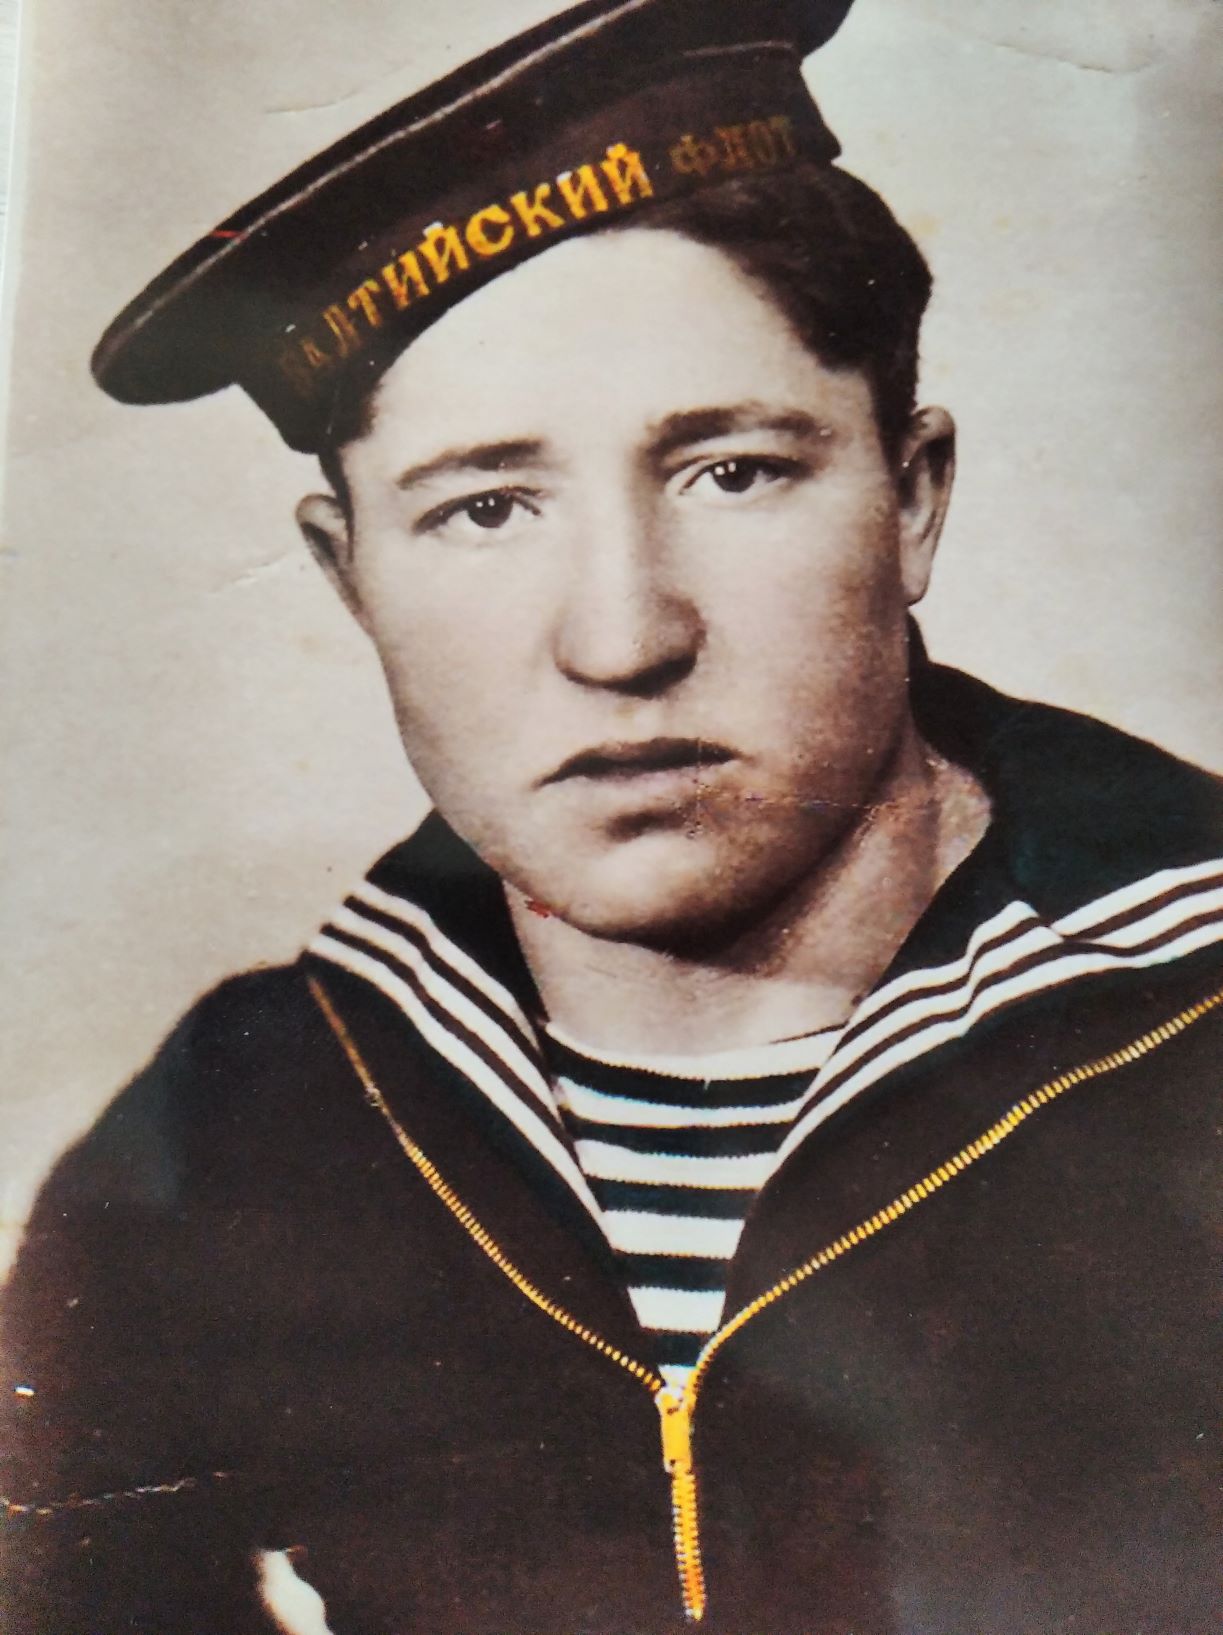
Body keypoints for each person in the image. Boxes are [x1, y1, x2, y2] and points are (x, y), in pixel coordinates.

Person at [3, 1, 1220, 1630]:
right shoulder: (235, 1135)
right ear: (348, 575)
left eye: (733, 472)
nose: (624, 636)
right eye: (486, 508)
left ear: (914, 499)